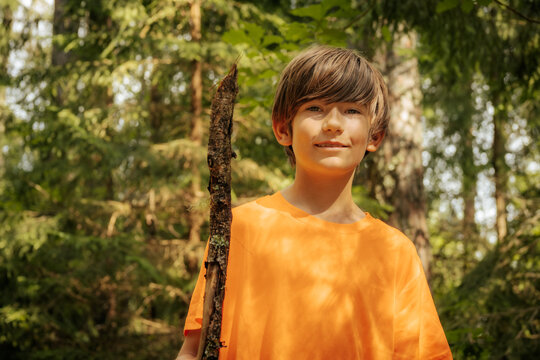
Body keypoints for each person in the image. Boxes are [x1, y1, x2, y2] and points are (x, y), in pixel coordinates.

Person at [177, 46, 452, 360]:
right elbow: (193, 350)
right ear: (283, 128)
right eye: (315, 108)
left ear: (374, 136)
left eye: (352, 110)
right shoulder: (240, 229)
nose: (333, 123)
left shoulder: (395, 252)